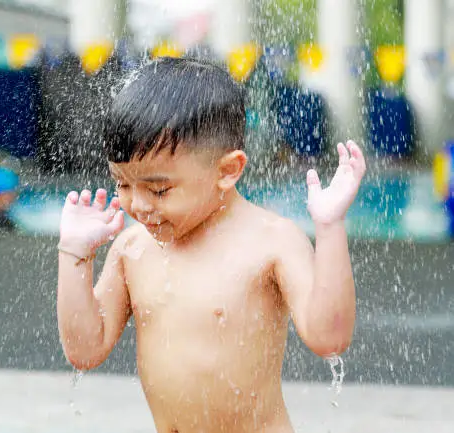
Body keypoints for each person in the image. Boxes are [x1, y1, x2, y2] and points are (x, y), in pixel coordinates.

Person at [57, 57, 366, 433]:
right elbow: (85, 349)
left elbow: (329, 338)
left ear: (227, 171)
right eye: (123, 184)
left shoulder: (271, 241)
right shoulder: (132, 249)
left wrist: (330, 227)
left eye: (158, 190)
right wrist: (74, 254)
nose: (138, 205)